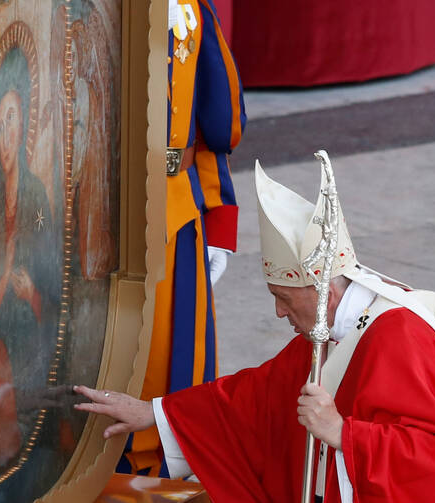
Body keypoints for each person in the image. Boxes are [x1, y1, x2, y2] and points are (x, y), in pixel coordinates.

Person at [75, 154, 435, 502]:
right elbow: (255, 397)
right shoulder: (335, 329)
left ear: (323, 292)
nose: (277, 313)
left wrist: (341, 433)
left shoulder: (396, 336)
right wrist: (153, 413)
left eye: (285, 299)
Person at [120, 0, 246, 475]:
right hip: (99, 207)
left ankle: (166, 467)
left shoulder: (191, 7)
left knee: (172, 356)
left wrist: (220, 223)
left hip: (178, 210)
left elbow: (215, 126)